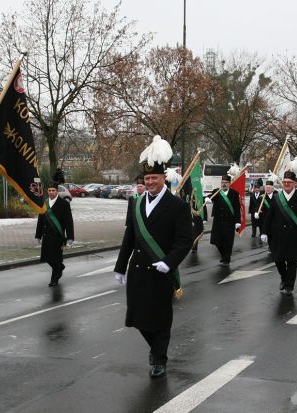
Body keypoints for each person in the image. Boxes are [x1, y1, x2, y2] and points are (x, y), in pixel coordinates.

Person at [113, 135, 192, 378]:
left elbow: (184, 241)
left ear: (163, 178)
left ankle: (159, 359)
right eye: (146, 179)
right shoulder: (136, 204)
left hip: (161, 271)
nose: (150, 182)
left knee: (160, 318)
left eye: (154, 178)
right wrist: (120, 267)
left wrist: (169, 263)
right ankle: (155, 348)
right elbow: (130, 236)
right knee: (137, 317)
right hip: (138, 269)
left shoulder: (177, 206)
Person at [261, 171, 297, 295]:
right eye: (284, 182)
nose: (286, 184)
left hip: (294, 235)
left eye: (289, 182)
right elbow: (269, 216)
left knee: (292, 261)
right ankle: (284, 278)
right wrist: (264, 232)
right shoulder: (277, 197)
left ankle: (289, 286)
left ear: (295, 183)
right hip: (277, 235)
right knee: (278, 260)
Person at [35, 182, 74, 287]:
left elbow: (69, 221)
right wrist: (38, 235)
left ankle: (54, 279)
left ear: (57, 191)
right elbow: (40, 220)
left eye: (53, 190)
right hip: (47, 236)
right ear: (47, 191)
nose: (51, 192)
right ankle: (60, 267)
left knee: (56, 258)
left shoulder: (64, 204)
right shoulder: (44, 203)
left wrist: (70, 237)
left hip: (58, 236)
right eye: (49, 190)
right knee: (47, 258)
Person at [206, 175, 241, 266]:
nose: (224, 184)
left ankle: (226, 259)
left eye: (225, 183)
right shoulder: (217, 191)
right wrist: (207, 198)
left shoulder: (234, 193)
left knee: (228, 242)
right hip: (218, 221)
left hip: (229, 221)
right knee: (217, 241)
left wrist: (238, 221)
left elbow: (237, 208)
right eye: (222, 182)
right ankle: (224, 256)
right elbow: (210, 196)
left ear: (229, 183)